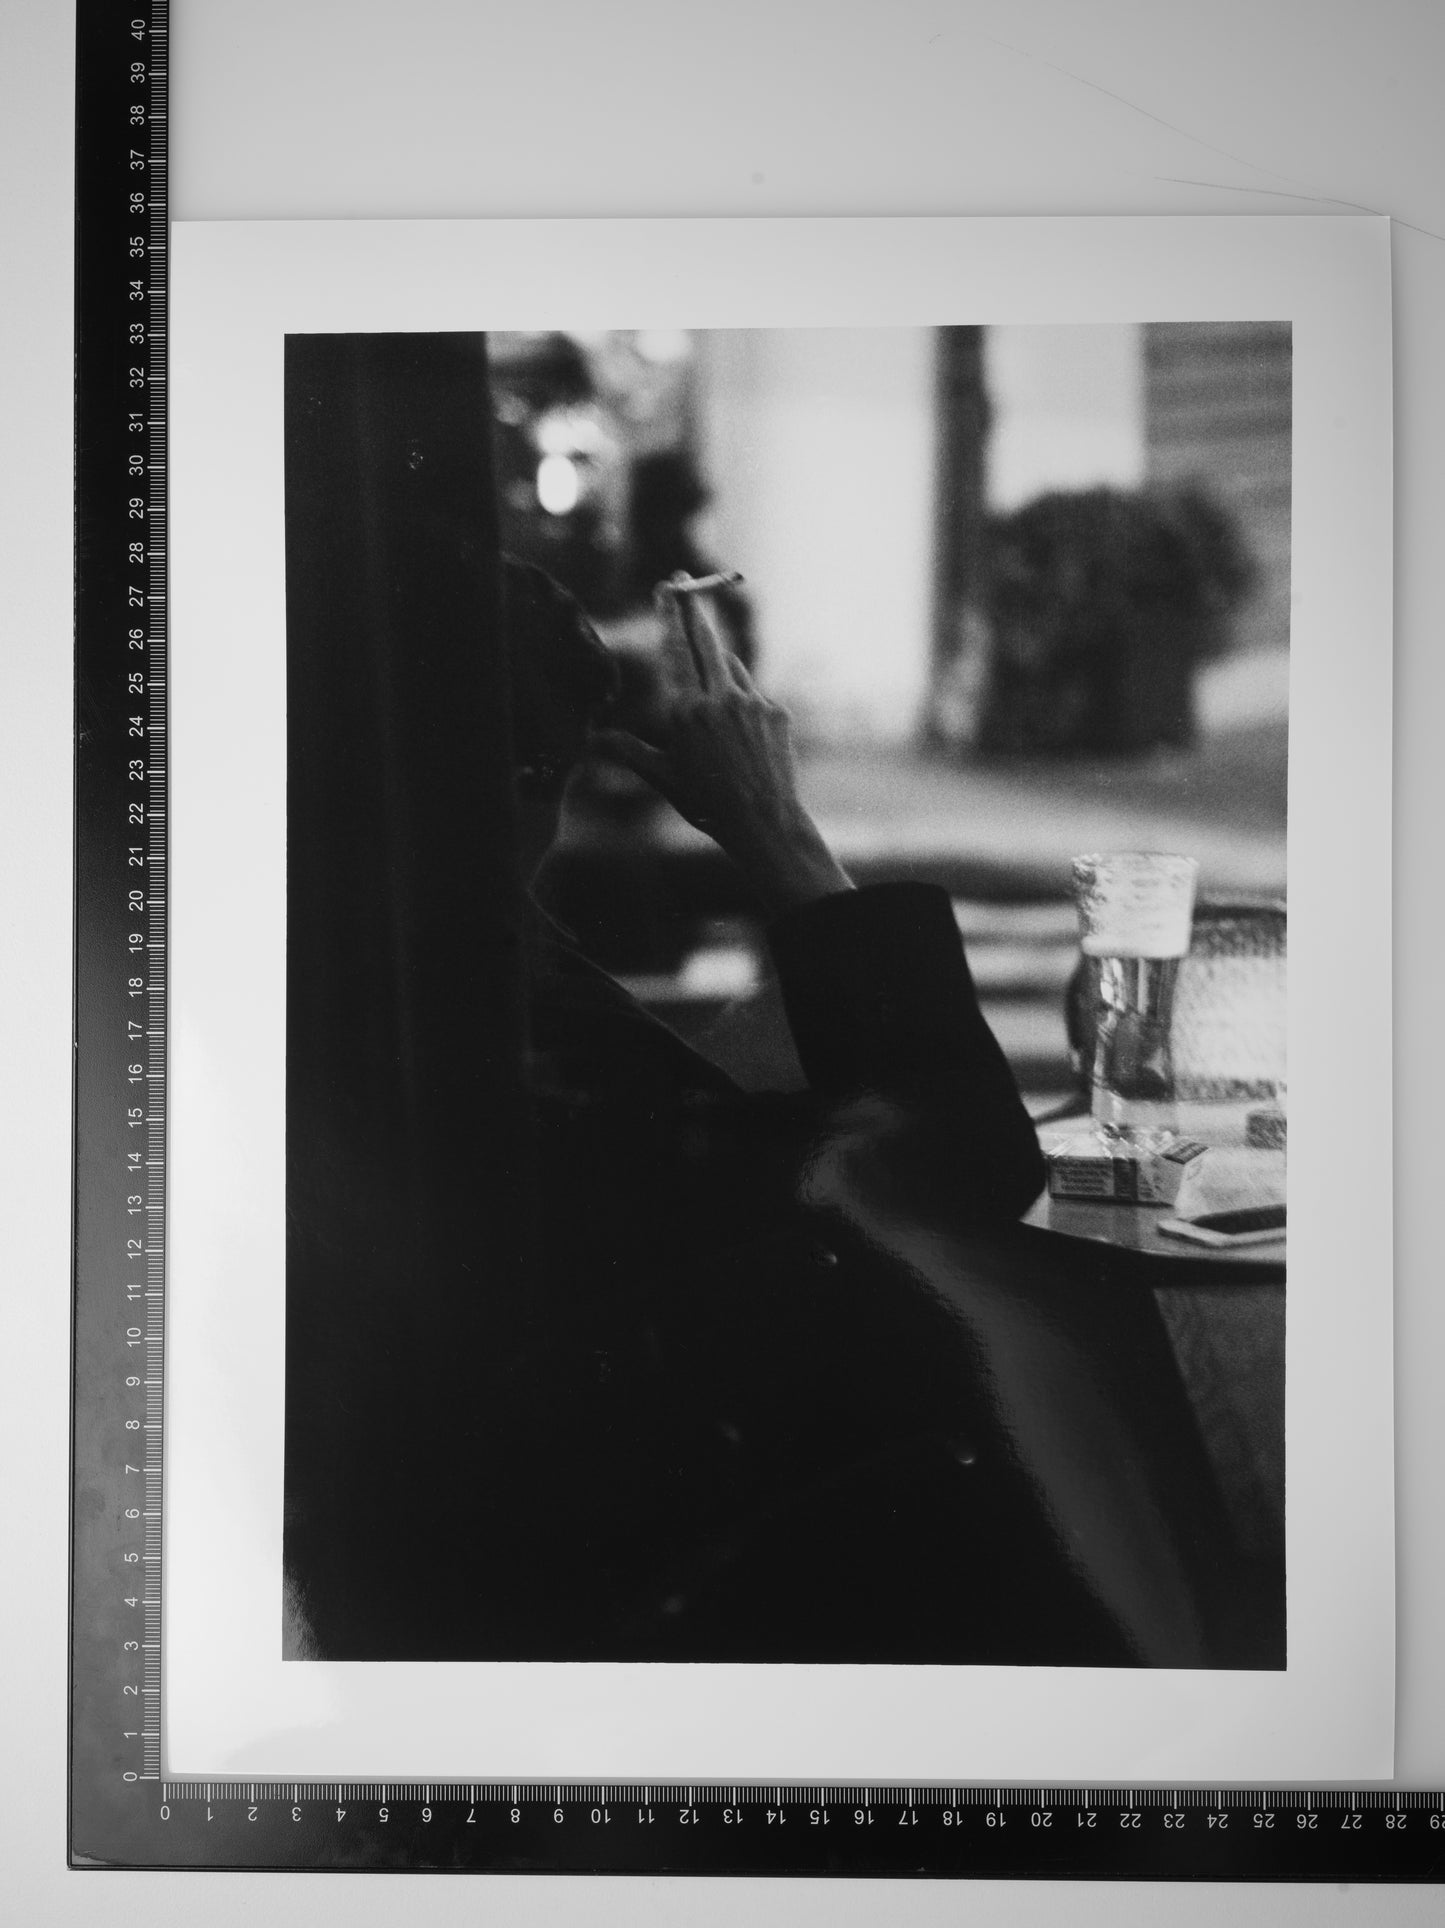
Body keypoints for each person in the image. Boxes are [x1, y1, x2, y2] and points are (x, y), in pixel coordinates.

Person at [463, 561, 1175, 1668]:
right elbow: (966, 1166)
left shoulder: (410, 953)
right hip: (742, 1566)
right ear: (518, 771)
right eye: (548, 771)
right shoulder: (482, 975)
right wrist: (771, 828)